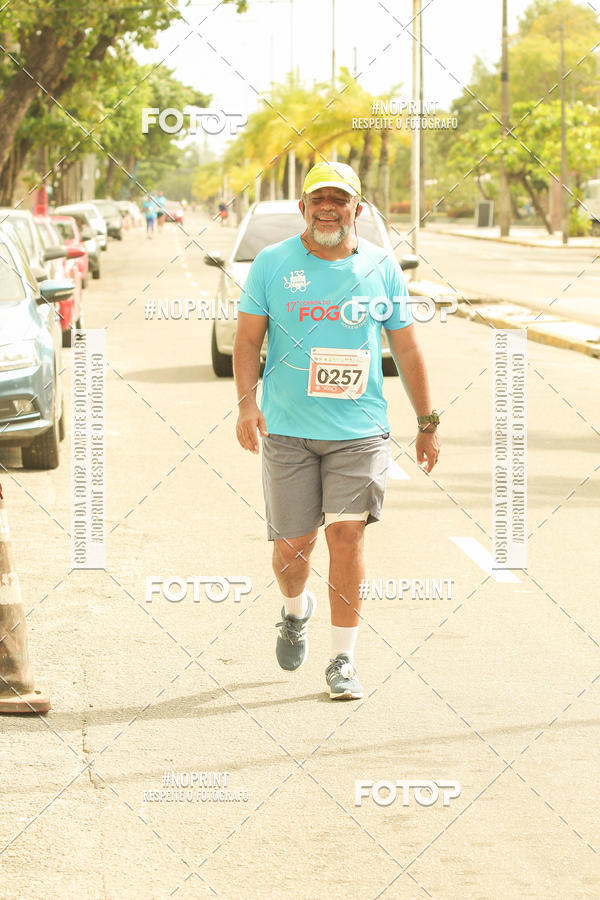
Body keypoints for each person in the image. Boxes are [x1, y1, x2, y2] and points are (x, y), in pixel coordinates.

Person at [234, 161, 440, 701]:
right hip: (288, 432)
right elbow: (247, 341)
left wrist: (426, 421)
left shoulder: (381, 267)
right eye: (318, 198)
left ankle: (342, 660)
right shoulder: (272, 265)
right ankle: (294, 610)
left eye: (340, 199)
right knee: (293, 551)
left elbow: (407, 345)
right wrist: (245, 406)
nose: (329, 207)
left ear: (358, 210)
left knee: (346, 538)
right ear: (303, 208)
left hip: (360, 431)